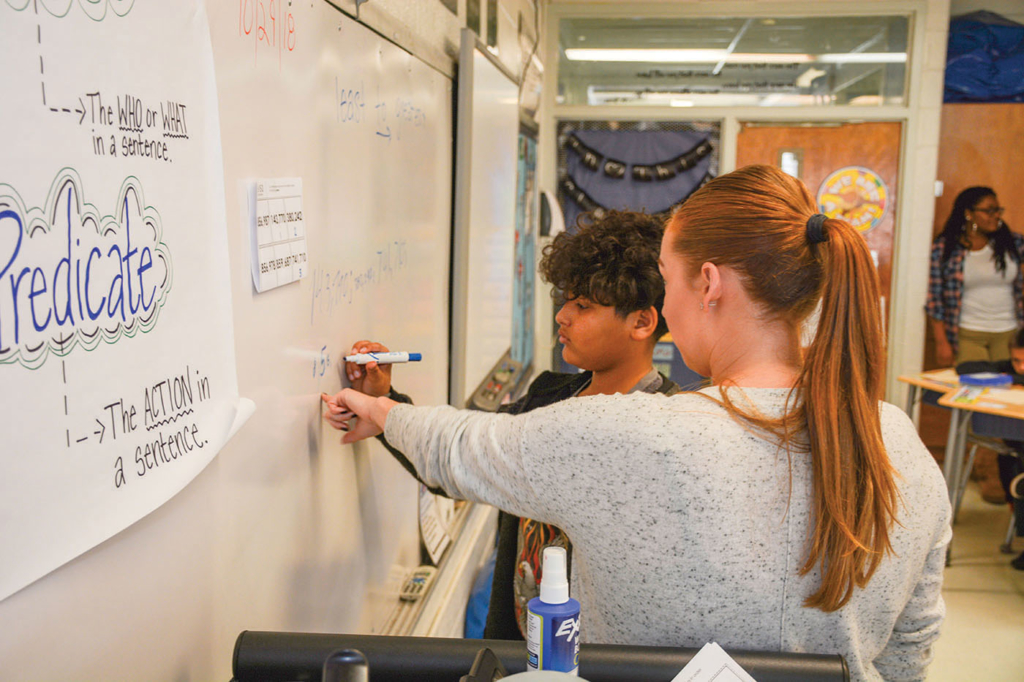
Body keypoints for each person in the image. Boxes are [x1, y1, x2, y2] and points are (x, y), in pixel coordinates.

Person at [324, 165, 951, 681]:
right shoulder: (899, 441)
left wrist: (379, 410)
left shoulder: (635, 437)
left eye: (671, 282)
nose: (670, 306)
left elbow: (462, 448)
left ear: (708, 284)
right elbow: (908, 647)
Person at [325, 209, 680, 640]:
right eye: (565, 300)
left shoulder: (670, 426)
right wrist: (385, 405)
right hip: (515, 654)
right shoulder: (549, 395)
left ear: (641, 322)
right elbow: (461, 467)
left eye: (583, 306)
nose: (561, 316)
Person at [927, 186, 1023, 367]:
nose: (996, 215)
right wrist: (941, 343)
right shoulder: (945, 248)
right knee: (973, 387)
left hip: (1009, 332)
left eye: (998, 210)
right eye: (989, 210)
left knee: (1005, 389)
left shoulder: (1012, 243)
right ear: (969, 213)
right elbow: (934, 299)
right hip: (968, 334)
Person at [956, 326, 1024, 569]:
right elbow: (964, 369)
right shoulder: (1010, 367)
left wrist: (1012, 377)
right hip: (1016, 443)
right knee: (1008, 460)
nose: (1021, 367)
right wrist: (1008, 375)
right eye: (1016, 360)